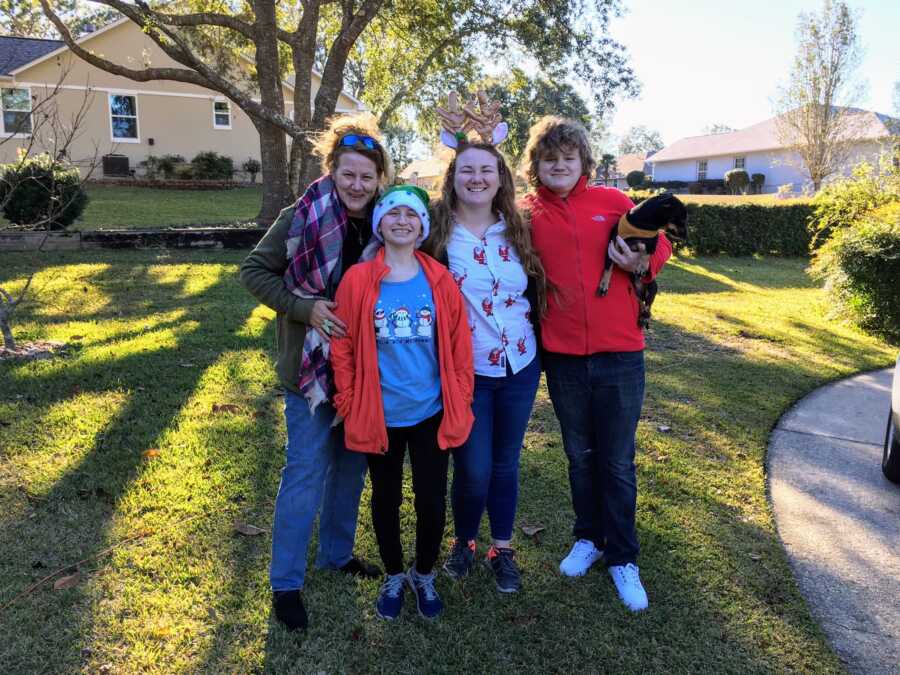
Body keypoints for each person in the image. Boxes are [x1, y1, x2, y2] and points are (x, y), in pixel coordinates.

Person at [239, 113, 391, 631]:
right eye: (348, 173)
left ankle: (336, 553)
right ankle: (285, 583)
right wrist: (305, 310)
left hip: (364, 373)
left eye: (367, 177)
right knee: (305, 472)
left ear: (379, 180)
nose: (357, 185)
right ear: (332, 169)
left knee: (350, 469)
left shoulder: (386, 222)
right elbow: (254, 271)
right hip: (308, 371)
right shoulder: (301, 214)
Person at [519, 116, 672, 612]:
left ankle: (623, 557)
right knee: (580, 456)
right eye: (549, 158)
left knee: (617, 460)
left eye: (568, 157)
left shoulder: (612, 202)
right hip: (562, 358)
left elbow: (660, 245)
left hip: (620, 353)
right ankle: (588, 537)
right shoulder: (526, 213)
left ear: (583, 161)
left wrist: (639, 264)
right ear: (536, 165)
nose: (559, 165)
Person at [330, 185, 474, 621]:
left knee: (431, 500)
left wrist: (462, 397)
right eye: (393, 214)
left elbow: (458, 343)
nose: (402, 221)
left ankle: (424, 574)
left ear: (421, 227)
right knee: (385, 498)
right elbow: (343, 346)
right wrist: (350, 399)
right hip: (381, 414)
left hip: (431, 411)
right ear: (380, 223)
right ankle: (394, 573)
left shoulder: (438, 279)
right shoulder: (358, 279)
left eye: (411, 215)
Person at [424, 92, 547, 594]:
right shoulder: (434, 231)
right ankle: (465, 541)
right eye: (466, 170)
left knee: (506, 462)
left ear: (500, 179)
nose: (477, 178)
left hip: (520, 364)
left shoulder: (518, 229)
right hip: (465, 371)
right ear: (453, 177)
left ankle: (502, 547)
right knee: (472, 467)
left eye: (486, 171)